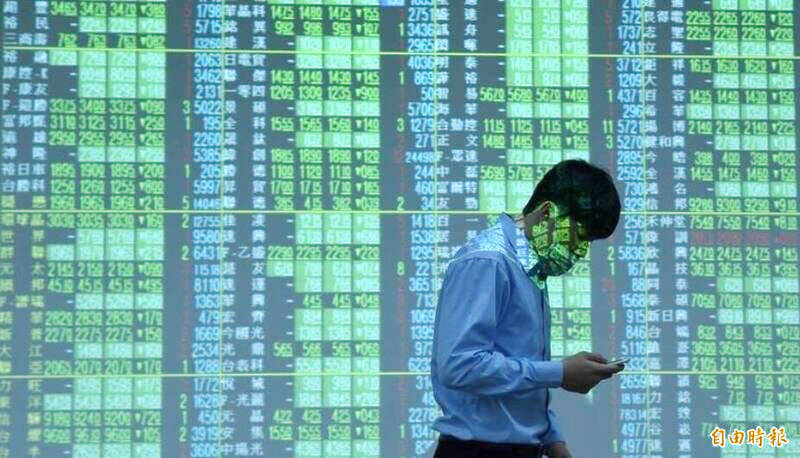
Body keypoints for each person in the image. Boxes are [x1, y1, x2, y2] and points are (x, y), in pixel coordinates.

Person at [430, 159, 624, 458]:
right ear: (547, 213)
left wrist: (553, 440)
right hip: (478, 452)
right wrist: (559, 372)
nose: (581, 251)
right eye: (579, 235)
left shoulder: (532, 269)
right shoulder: (488, 261)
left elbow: (515, 376)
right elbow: (459, 365)